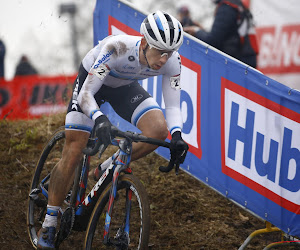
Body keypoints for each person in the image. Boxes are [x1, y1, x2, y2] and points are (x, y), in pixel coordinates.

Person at [37, 10, 189, 249]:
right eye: (160, 51)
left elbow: (172, 105)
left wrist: (178, 136)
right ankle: (50, 221)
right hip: (92, 84)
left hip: (124, 87)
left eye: (169, 52)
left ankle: (106, 167)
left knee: (159, 131)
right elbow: (87, 94)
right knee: (75, 148)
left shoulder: (172, 61)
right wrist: (99, 119)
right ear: (144, 42)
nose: (164, 58)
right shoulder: (116, 48)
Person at [184, 0, 259, 68]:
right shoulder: (238, 5)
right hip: (244, 63)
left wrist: (196, 31)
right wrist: (202, 31)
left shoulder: (227, 7)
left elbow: (213, 41)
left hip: (236, 65)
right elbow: (226, 36)